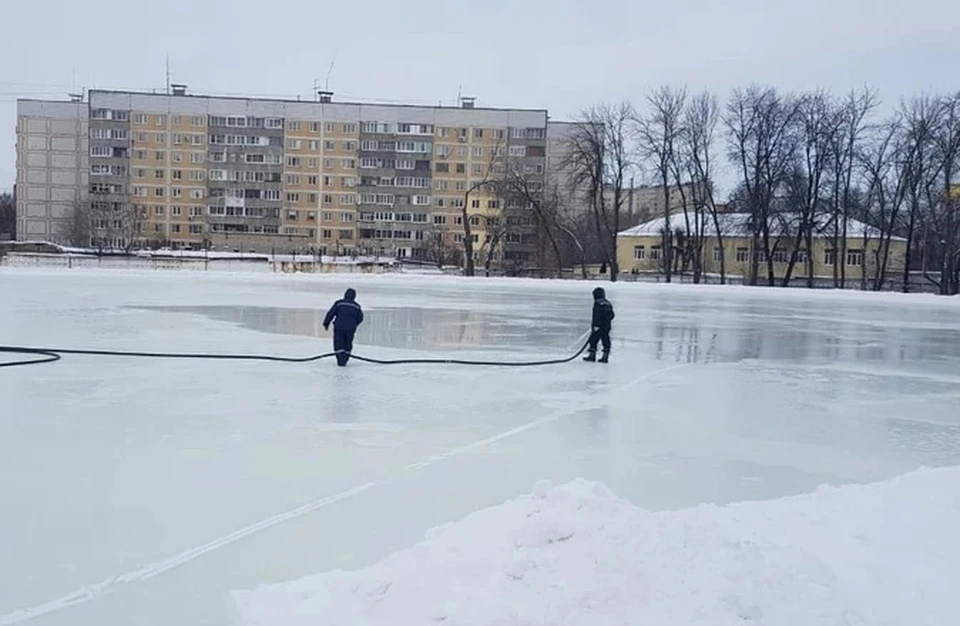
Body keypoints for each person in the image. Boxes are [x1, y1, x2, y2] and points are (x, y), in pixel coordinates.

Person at [323, 288, 364, 366]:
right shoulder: (357, 306)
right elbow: (360, 318)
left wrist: (326, 323)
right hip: (350, 329)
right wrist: (354, 324)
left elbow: (330, 314)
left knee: (339, 343)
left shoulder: (339, 303)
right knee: (348, 343)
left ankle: (340, 359)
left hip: (339, 327)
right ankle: (345, 358)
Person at [584, 287, 615, 363]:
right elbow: (612, 315)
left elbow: (597, 315)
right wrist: (606, 321)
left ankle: (592, 355)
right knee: (606, 340)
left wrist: (596, 325)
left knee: (593, 340)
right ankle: (605, 356)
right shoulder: (608, 303)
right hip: (606, 327)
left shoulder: (598, 303)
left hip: (598, 326)